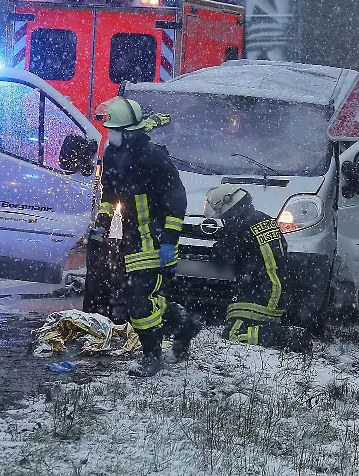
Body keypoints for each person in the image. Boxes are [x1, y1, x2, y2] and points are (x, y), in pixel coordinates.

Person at [90, 97, 200, 377]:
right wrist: (102, 225)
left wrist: (169, 240)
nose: (110, 135)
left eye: (115, 130)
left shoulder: (154, 157)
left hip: (155, 237)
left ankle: (152, 357)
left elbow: (177, 200)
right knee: (139, 296)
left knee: (138, 299)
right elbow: (109, 195)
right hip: (130, 237)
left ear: (129, 132)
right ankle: (183, 322)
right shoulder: (113, 155)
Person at [204, 184, 310, 353]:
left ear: (228, 204)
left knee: (233, 333)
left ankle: (286, 336)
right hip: (279, 290)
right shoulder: (265, 219)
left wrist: (217, 246)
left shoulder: (238, 227)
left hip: (260, 294)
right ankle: (278, 329)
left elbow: (221, 260)